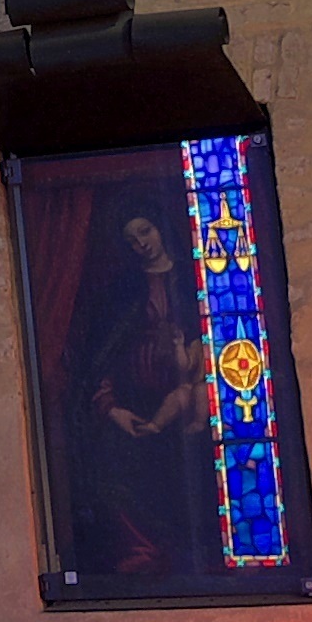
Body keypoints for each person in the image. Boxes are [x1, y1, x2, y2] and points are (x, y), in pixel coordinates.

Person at [71, 203, 215, 584]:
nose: (142, 244)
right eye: (132, 240)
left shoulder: (193, 278)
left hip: (186, 400)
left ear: (161, 227)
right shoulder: (121, 293)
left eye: (146, 231)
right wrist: (110, 408)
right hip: (132, 407)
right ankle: (144, 555)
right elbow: (101, 355)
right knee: (113, 468)